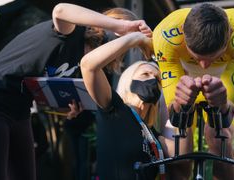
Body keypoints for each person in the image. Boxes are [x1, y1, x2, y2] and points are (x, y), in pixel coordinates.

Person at [0, 3, 152, 180]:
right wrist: (124, 27)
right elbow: (60, 10)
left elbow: (40, 91)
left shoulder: (79, 62)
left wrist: (64, 108)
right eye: (124, 41)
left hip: (19, 111)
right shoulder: (71, 32)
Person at [152, 3, 234, 180]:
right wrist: (180, 104)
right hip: (183, 78)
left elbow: (226, 116)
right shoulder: (165, 34)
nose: (204, 66)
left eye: (213, 57)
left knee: (220, 137)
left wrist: (223, 104)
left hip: (224, 80)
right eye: (196, 57)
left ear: (229, 37)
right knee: (178, 142)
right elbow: (175, 113)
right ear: (182, 34)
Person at [80, 31, 192, 180]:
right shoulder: (115, 110)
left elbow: (182, 156)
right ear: (128, 80)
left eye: (158, 79)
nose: (153, 79)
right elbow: (88, 65)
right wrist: (136, 38)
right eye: (145, 74)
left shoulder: (152, 134)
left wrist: (185, 102)